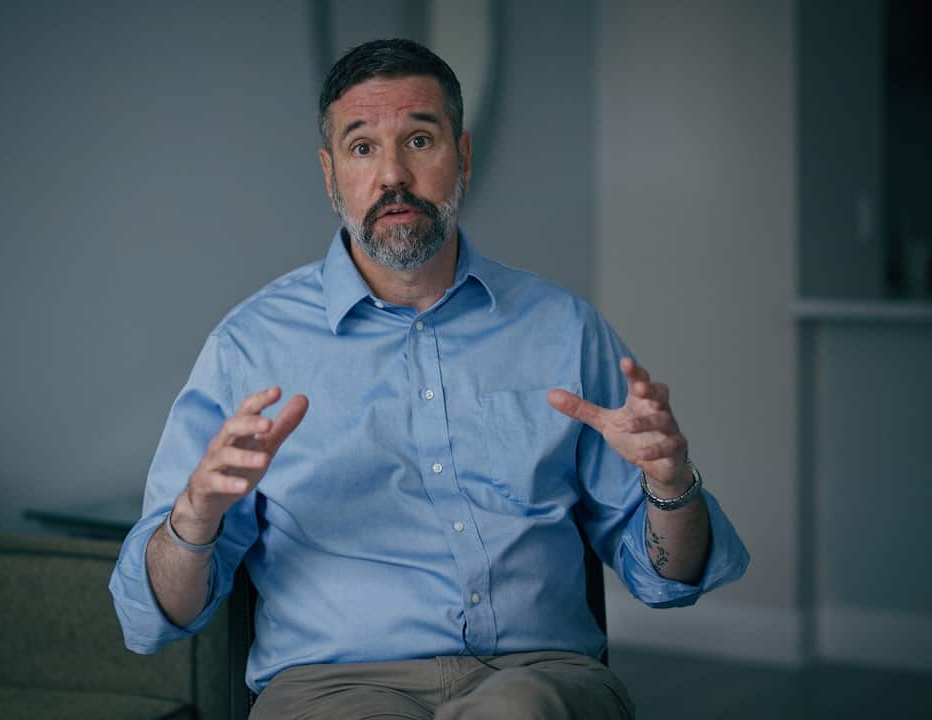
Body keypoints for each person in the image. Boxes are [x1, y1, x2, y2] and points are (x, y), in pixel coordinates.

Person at [110, 38, 748, 720]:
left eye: (419, 139)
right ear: (330, 176)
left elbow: (671, 579)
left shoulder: (565, 330)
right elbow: (156, 618)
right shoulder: (249, 347)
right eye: (362, 148)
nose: (392, 176)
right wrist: (195, 518)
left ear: (462, 158)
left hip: (538, 678)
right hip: (334, 689)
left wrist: (671, 486)